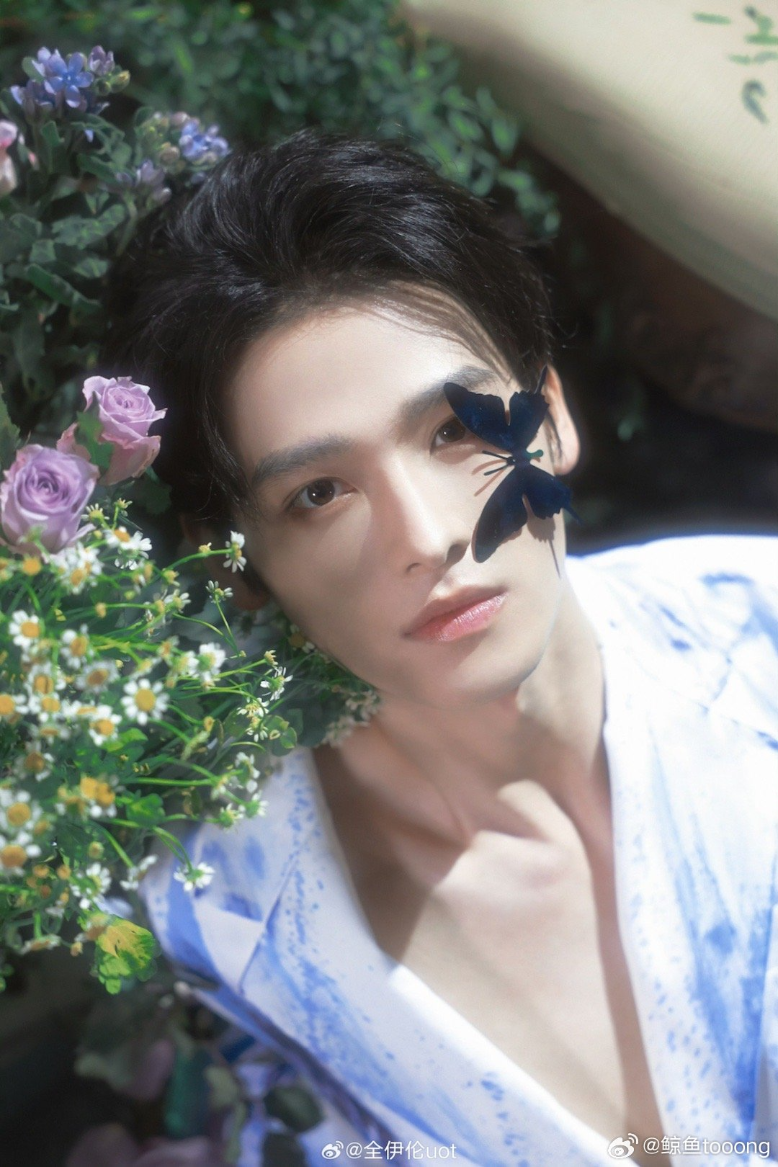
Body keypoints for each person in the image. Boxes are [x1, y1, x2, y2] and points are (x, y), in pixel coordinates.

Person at [103, 130, 778, 1167]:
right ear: (238, 567)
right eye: (319, 493)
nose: (426, 536)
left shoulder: (760, 634)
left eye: (455, 431)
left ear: (550, 416)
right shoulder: (219, 925)